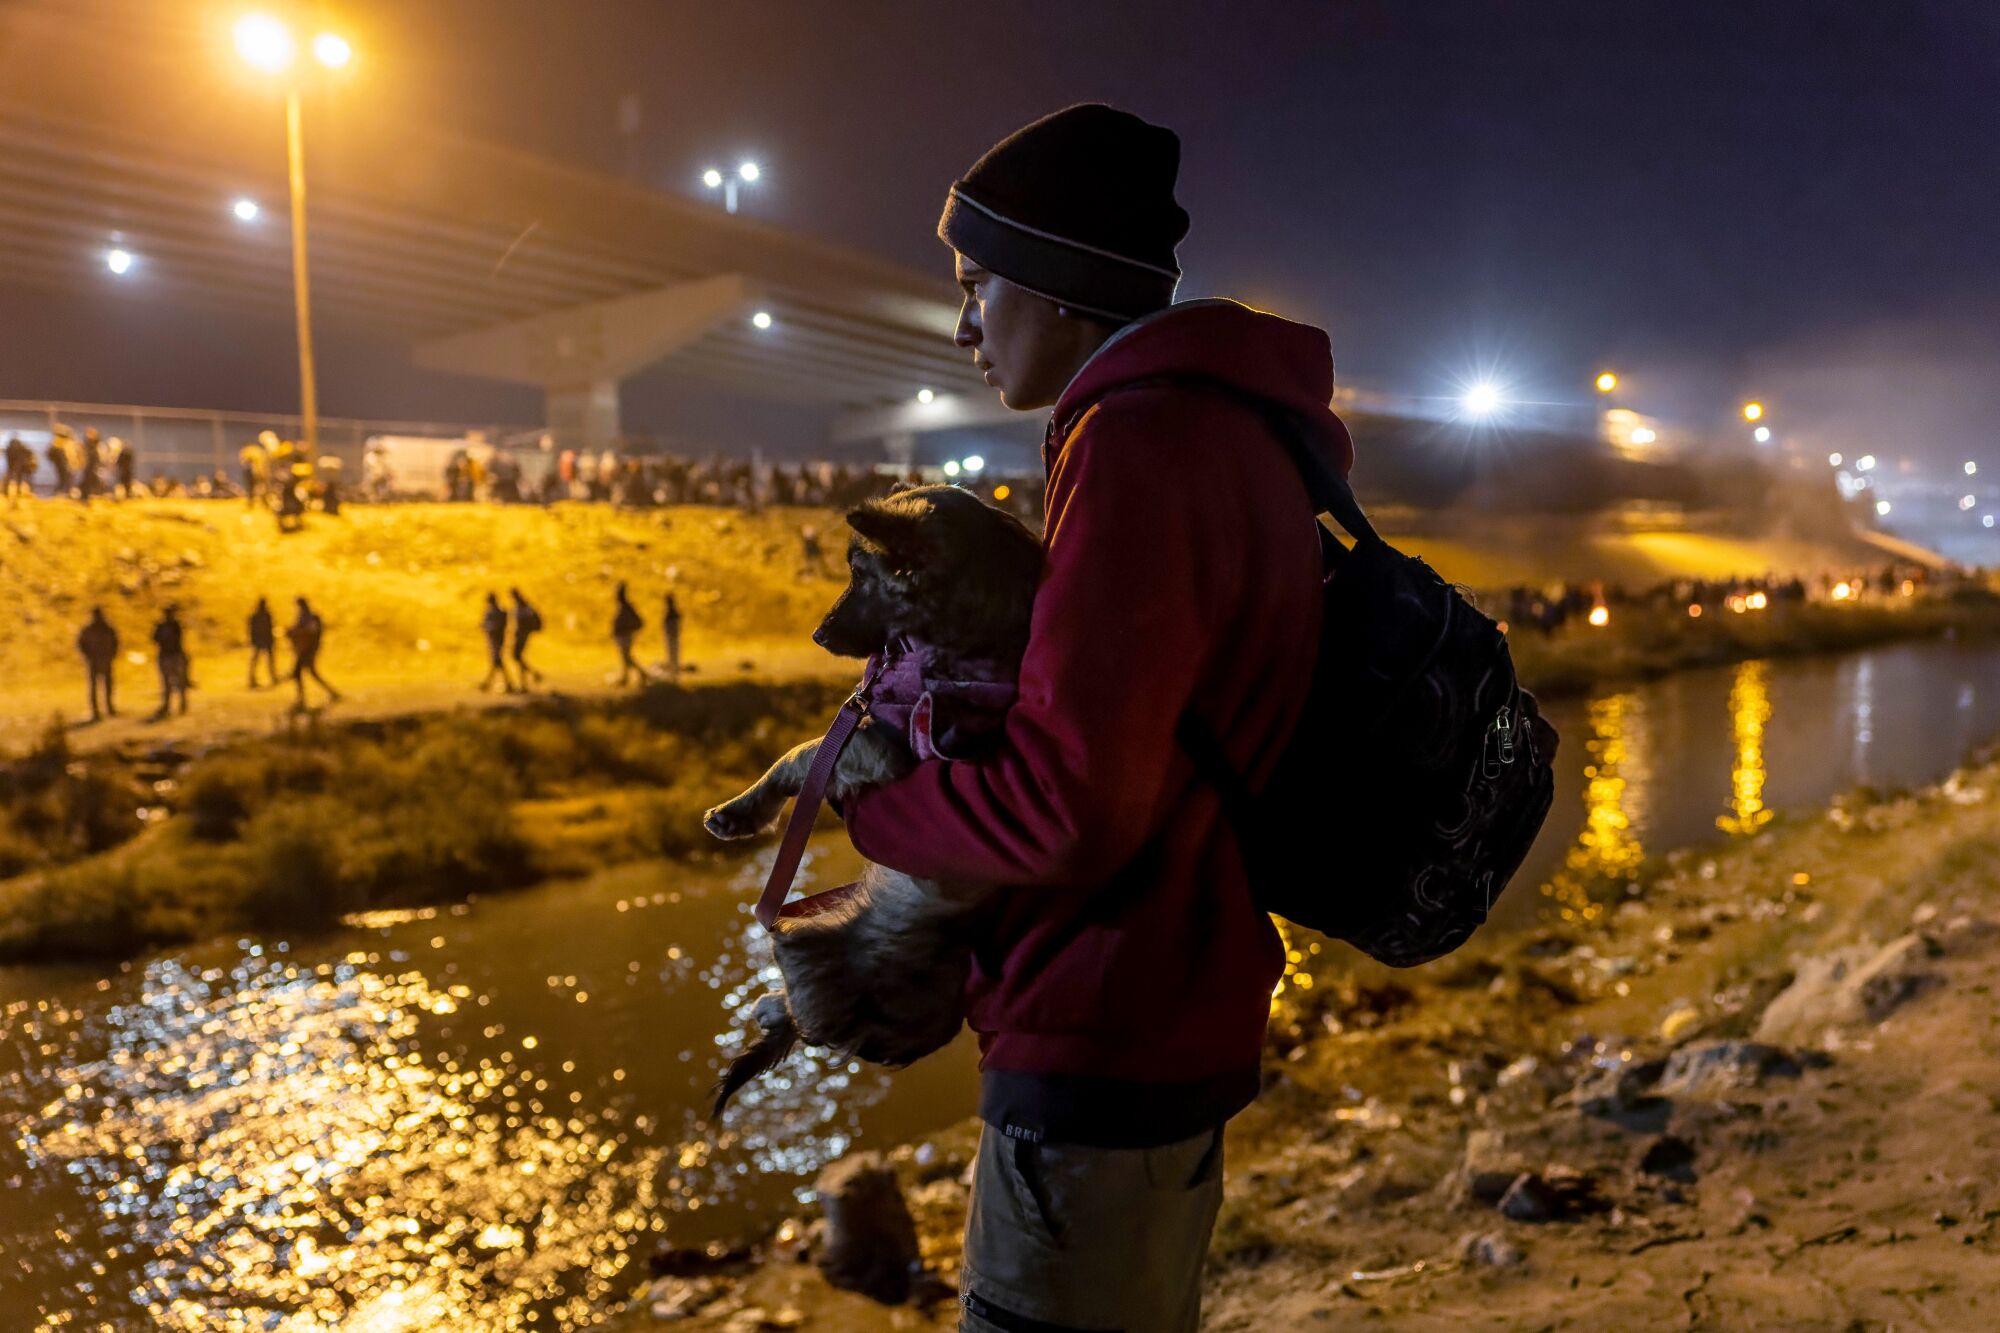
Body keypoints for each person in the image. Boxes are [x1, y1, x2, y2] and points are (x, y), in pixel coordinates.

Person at [833, 106, 1351, 1333]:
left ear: (1061, 290)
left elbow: (1069, 804)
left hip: (1100, 1022)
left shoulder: (1135, 446)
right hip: (1176, 1000)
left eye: (977, 284)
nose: (961, 321)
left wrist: (877, 802)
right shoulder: (1235, 430)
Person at [286, 597, 341, 708]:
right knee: (310, 673)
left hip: (307, 650)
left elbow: (311, 632)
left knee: (298, 673)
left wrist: (296, 632)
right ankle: (331, 692)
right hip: (305, 649)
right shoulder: (305, 616)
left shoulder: (309, 617)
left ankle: (301, 696)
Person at [77, 607, 119, 721]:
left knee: (107, 686)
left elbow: (116, 643)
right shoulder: (90, 629)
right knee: (95, 687)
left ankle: (108, 707)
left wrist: (111, 655)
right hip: (94, 661)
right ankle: (96, 711)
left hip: (104, 660)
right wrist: (88, 656)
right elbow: (81, 644)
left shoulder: (107, 628)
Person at [150, 604, 190, 720]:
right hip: (168, 656)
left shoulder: (175, 626)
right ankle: (170, 705)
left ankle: (181, 704)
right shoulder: (165, 626)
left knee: (178, 682)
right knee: (167, 683)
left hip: (173, 655)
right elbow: (155, 639)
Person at [478, 592, 515, 692]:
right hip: (497, 639)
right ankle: (506, 684)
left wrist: (485, 627)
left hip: (495, 640)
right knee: (497, 663)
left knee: (496, 662)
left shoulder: (493, 612)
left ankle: (488, 684)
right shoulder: (499, 611)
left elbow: (492, 626)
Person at [509, 587, 545, 687]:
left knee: (517, 656)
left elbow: (522, 622)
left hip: (522, 635)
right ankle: (530, 677)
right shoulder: (521, 606)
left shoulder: (523, 607)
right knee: (518, 657)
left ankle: (526, 681)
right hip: (520, 635)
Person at [612, 582, 646, 686]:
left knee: (627, 658)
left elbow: (639, 622)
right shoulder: (623, 607)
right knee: (625, 658)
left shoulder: (627, 607)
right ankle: (626, 678)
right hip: (622, 636)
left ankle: (641, 674)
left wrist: (628, 629)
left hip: (625, 636)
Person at [246, 597, 278, 688]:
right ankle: (272, 678)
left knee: (258, 660)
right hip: (264, 640)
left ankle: (254, 679)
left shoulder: (257, 616)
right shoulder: (264, 615)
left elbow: (251, 629)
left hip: (262, 640)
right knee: (266, 661)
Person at [241, 432, 272, 508]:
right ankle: (260, 503)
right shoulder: (255, 451)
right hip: (256, 473)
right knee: (257, 488)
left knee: (260, 488)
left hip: (258, 473)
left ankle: (263, 503)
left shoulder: (255, 451)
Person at [2, 433, 33, 500]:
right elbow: (29, 452)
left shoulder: (9, 447)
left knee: (9, 476)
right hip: (19, 465)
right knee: (19, 478)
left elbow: (6, 454)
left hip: (11, 465)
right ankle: (18, 491)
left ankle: (5, 491)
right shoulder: (21, 446)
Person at [661, 592, 683, 679]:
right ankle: (674, 671)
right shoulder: (673, 611)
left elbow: (673, 625)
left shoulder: (671, 611)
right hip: (672, 636)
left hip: (672, 636)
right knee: (673, 653)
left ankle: (674, 672)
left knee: (673, 654)